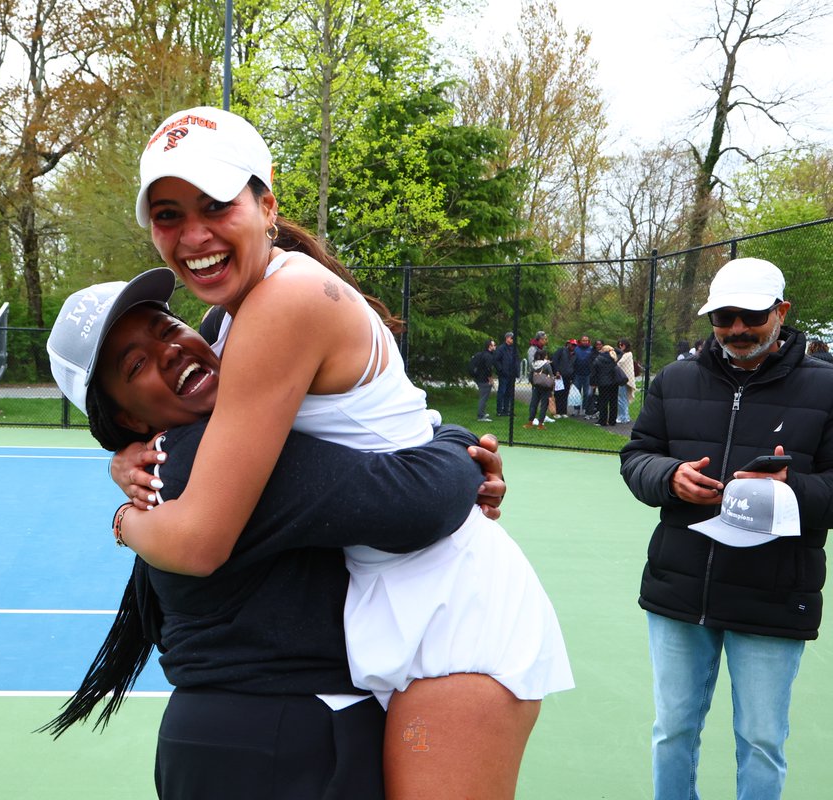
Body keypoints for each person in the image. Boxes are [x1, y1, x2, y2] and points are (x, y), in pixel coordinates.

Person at [118, 106, 571, 799]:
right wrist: (129, 456)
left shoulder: (285, 299)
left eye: (216, 205)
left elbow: (203, 538)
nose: (193, 235)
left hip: (452, 610)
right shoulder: (231, 316)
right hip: (381, 603)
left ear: (266, 204)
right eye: (169, 215)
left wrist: (123, 519)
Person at [44, 272, 503, 798]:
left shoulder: (191, 455)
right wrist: (458, 440)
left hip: (252, 740)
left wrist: (123, 517)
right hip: (283, 740)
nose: (168, 350)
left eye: (166, 326)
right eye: (137, 364)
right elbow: (418, 501)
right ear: (124, 416)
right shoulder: (201, 458)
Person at [619, 256, 833, 800]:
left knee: (762, 739)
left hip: (774, 592)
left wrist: (793, 489)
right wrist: (669, 478)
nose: (737, 329)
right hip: (680, 586)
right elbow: (637, 456)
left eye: (751, 315)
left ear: (782, 311)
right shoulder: (674, 379)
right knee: (673, 731)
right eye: (723, 317)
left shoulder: (827, 387)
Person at [590, 343, 620, 426]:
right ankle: (612, 420)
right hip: (614, 383)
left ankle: (603, 421)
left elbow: (594, 372)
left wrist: (593, 383)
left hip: (603, 383)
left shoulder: (599, 359)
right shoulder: (614, 358)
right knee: (613, 402)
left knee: (603, 402)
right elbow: (620, 352)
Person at [524, 347, 553, 429]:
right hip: (545, 388)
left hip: (536, 387)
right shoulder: (546, 365)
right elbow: (551, 376)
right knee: (544, 405)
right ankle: (540, 424)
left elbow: (530, 377)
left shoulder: (533, 364)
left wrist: (534, 383)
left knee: (533, 404)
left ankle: (530, 422)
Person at [469, 338, 496, 421]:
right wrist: (490, 379)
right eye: (493, 345)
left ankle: (482, 412)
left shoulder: (482, 354)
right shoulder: (488, 356)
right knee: (484, 397)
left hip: (479, 378)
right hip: (484, 380)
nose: (495, 346)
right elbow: (488, 369)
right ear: (489, 346)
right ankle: (480, 415)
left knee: (484, 396)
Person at [550, 338, 576, 420]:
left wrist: (573, 377)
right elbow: (554, 361)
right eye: (572, 345)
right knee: (558, 393)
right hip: (560, 376)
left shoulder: (575, 354)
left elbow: (574, 366)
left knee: (565, 394)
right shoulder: (561, 351)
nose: (573, 346)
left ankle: (563, 411)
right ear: (568, 344)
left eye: (574, 345)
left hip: (569, 376)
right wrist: (556, 371)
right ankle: (557, 411)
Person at [494, 331, 518, 417]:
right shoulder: (501, 348)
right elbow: (496, 360)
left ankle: (507, 410)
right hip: (504, 374)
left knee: (509, 393)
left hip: (512, 374)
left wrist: (516, 371)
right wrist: (501, 370)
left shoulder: (514, 349)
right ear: (507, 338)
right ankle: (499, 410)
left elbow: (516, 360)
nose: (513, 340)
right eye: (512, 338)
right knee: (502, 392)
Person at [572, 334, 594, 417]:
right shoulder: (576, 349)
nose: (585, 342)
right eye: (583, 340)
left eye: (586, 340)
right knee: (576, 393)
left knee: (586, 393)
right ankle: (576, 409)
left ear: (588, 341)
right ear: (580, 341)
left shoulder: (591, 349)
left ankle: (585, 409)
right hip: (577, 374)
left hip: (587, 375)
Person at [615, 338, 636, 424]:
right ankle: (624, 416)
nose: (620, 347)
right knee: (622, 398)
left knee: (622, 398)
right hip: (621, 378)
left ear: (626, 345)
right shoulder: (622, 354)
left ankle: (623, 417)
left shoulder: (628, 354)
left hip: (624, 380)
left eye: (622, 345)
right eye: (619, 345)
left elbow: (619, 363)